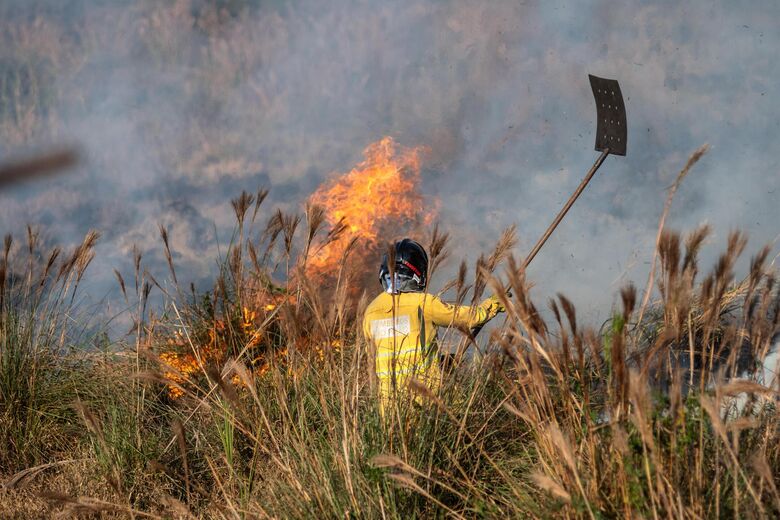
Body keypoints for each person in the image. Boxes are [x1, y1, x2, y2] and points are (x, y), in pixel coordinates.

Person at [362, 238, 505, 411]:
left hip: (388, 407)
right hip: (427, 400)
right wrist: (493, 304)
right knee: (465, 409)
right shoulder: (424, 303)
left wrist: (441, 360)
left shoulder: (370, 311)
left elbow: (385, 351)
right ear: (417, 272)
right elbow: (468, 317)